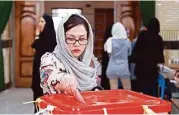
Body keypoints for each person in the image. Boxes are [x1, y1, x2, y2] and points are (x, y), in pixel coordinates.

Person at [40, 13, 102, 102]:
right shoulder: (50, 58)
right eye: (70, 39)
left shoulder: (89, 61)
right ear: (62, 38)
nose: (77, 44)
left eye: (81, 39)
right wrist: (62, 78)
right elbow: (47, 75)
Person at [31, 14, 57, 112]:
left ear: (48, 23)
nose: (39, 24)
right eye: (39, 21)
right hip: (37, 68)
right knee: (37, 92)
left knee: (43, 94)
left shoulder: (51, 37)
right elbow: (35, 48)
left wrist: (37, 35)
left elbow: (37, 48)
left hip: (45, 72)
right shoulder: (42, 36)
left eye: (42, 22)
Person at [134, 17, 164, 97]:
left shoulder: (142, 35)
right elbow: (160, 55)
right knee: (151, 91)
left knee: (141, 91)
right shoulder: (159, 38)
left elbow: (136, 50)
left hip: (140, 69)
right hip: (152, 70)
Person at [104, 22, 132, 90]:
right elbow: (129, 53)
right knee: (127, 90)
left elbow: (108, 54)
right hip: (123, 68)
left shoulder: (109, 40)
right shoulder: (127, 41)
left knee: (114, 91)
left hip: (112, 67)